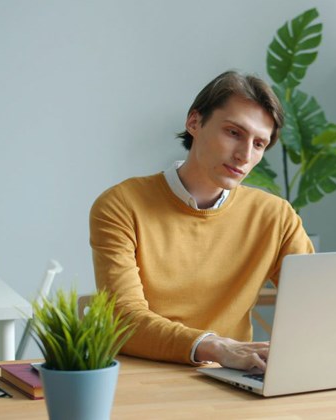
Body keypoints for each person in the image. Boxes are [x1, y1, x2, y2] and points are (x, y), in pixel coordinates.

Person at [89, 70, 314, 372]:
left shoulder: (276, 216)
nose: (244, 155)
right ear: (194, 122)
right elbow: (126, 319)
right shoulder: (121, 205)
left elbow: (318, 305)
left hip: (232, 380)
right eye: (234, 133)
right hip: (143, 378)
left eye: (259, 144)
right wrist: (216, 347)